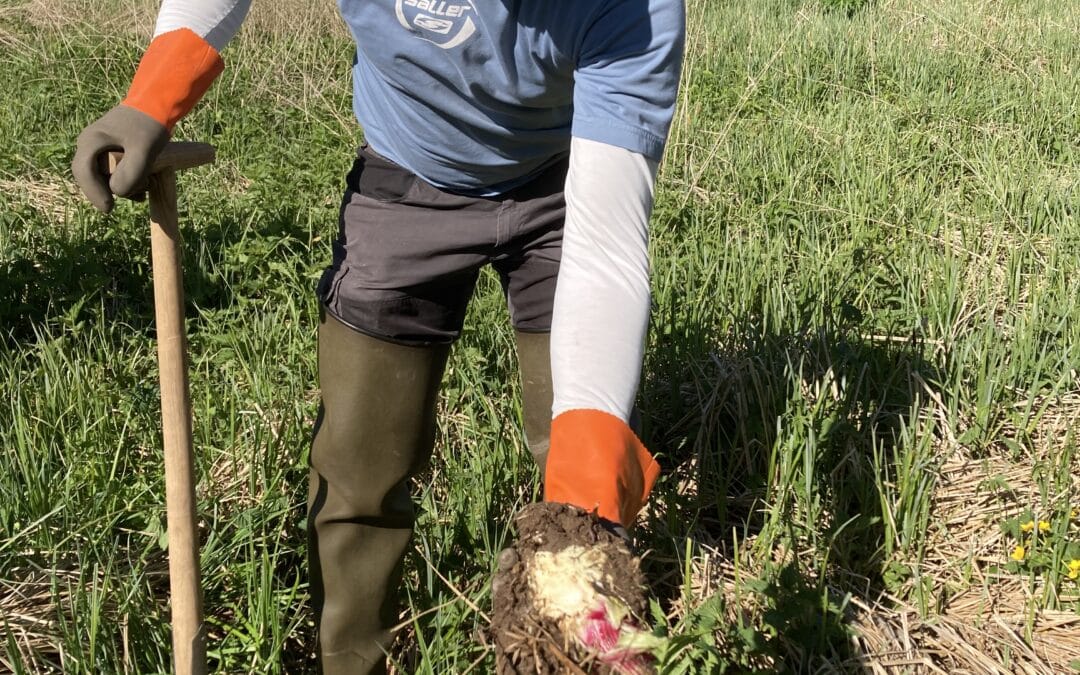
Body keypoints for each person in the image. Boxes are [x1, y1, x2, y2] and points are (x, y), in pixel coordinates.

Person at [72, 0, 685, 672]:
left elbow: (603, 251)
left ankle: (579, 625)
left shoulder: (634, 9)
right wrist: (157, 89)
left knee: (576, 467)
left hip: (565, 181)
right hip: (406, 174)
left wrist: (586, 507)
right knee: (360, 462)